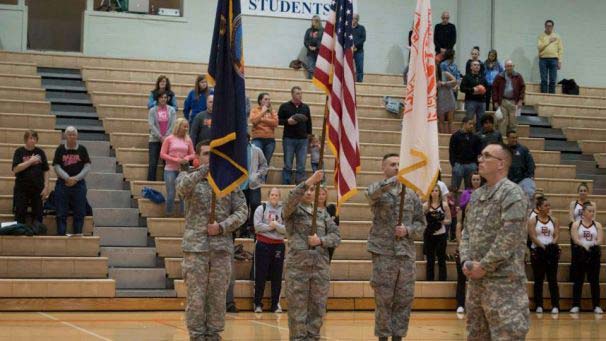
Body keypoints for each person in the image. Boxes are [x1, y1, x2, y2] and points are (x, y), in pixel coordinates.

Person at [176, 140, 248, 340]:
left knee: (217, 297)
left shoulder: (229, 184)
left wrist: (222, 227)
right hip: (196, 250)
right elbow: (181, 189)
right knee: (196, 298)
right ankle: (197, 335)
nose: (211, 157)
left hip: (221, 249)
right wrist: (204, 171)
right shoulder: (189, 177)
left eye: (214, 154)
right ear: (198, 157)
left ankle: (214, 334)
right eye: (207, 153)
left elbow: (243, 211)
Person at [460, 142, 530, 339]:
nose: (480, 159)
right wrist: (466, 260)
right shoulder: (477, 196)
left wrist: (484, 265)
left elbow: (509, 237)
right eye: (480, 155)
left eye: (486, 156)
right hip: (476, 284)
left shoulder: (512, 193)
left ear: (501, 164)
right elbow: (466, 232)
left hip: (503, 286)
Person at [366, 153, 425, 341]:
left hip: (405, 255)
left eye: (400, 164)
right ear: (383, 168)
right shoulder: (377, 190)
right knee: (383, 300)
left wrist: (407, 230)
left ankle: (399, 336)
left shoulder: (411, 194)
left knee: (404, 299)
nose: (397, 167)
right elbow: (370, 195)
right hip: (384, 253)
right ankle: (383, 336)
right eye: (392, 164)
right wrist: (391, 182)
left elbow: (421, 225)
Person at [283, 170, 340, 341]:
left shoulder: (322, 214)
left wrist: (321, 240)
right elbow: (290, 200)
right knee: (297, 311)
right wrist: (309, 181)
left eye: (312, 189)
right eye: (307, 189)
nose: (309, 192)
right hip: (298, 270)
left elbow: (336, 236)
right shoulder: (291, 210)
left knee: (317, 310)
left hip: (320, 269)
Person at [53, 126, 91, 236]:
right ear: (65, 136)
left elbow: (87, 166)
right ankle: (61, 234)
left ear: (77, 136)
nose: (71, 136)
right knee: (61, 212)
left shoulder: (82, 149)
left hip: (79, 185)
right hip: (62, 184)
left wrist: (76, 178)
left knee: (80, 211)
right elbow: (56, 166)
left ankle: (78, 234)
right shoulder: (60, 149)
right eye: (69, 134)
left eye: (73, 134)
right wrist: (67, 178)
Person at [253, 187, 286, 314]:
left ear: (279, 197)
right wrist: (271, 227)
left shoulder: (283, 211)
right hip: (263, 244)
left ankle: (275, 304)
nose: (274, 197)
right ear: (268, 196)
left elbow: (287, 229)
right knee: (260, 275)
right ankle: (257, 304)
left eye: (276, 195)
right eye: (272, 195)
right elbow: (257, 227)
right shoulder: (261, 208)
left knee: (277, 276)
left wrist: (276, 226)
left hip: (278, 245)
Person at [454, 172, 482, 314]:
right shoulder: (463, 215)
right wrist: (463, 247)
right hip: (465, 249)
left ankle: (476, 306)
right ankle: (460, 303)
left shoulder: (482, 218)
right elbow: (458, 229)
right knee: (461, 278)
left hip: (477, 251)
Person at [528, 196, 561, 314]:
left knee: (552, 279)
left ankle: (555, 305)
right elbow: (532, 236)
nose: (548, 207)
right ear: (539, 208)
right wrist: (542, 247)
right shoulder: (533, 220)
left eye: (549, 205)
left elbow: (556, 234)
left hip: (551, 253)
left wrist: (552, 245)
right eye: (546, 206)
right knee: (539, 279)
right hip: (538, 252)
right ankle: (539, 305)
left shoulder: (554, 220)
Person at [570, 203, 603, 314]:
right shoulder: (576, 224)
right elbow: (575, 239)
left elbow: (600, 240)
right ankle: (576, 305)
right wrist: (584, 246)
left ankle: (597, 305)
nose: (592, 213)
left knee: (594, 281)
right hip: (580, 254)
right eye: (589, 211)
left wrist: (592, 245)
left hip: (593, 255)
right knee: (578, 280)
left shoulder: (597, 224)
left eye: (593, 211)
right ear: (583, 212)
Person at [12, 130, 50, 224]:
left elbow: (46, 170)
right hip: (22, 188)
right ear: (25, 139)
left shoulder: (40, 152)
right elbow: (15, 169)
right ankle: (20, 233)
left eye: (34, 138)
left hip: (37, 188)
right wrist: (30, 161)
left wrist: (46, 187)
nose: (33, 140)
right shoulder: (19, 151)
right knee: (20, 213)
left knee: (38, 215)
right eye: (30, 138)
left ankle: (36, 234)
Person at [160, 118, 195, 216]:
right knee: (171, 193)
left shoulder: (188, 139)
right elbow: (162, 154)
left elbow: (193, 154)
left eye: (187, 126)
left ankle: (183, 215)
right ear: (178, 126)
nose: (186, 128)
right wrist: (176, 159)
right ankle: (168, 213)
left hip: (183, 170)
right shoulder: (169, 139)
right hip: (170, 169)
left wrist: (187, 158)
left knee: (183, 194)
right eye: (184, 126)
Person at [278, 86, 312, 185]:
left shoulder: (306, 107)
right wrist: (287, 121)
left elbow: (309, 123)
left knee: (301, 165)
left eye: (301, 93)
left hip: (303, 140)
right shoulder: (284, 106)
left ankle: (300, 185)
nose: (300, 95)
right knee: (288, 164)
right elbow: (278, 121)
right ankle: (286, 184)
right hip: (289, 139)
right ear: (292, 94)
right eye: (297, 93)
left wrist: (309, 137)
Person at [240, 137, 268, 237]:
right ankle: (243, 230)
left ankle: (252, 227)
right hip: (240, 185)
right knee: (243, 208)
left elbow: (264, 165)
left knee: (255, 204)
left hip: (254, 184)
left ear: (248, 140)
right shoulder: (236, 151)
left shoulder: (256, 150)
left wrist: (258, 174)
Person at [423, 185, 451, 281]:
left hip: (441, 235)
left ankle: (442, 280)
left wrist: (441, 221)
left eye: (436, 190)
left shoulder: (444, 205)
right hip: (429, 235)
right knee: (430, 260)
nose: (434, 192)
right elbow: (421, 220)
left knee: (441, 259)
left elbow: (449, 220)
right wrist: (428, 223)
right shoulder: (426, 206)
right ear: (430, 193)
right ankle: (429, 281)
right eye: (432, 190)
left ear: (439, 192)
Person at [147, 91, 177, 181]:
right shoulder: (152, 110)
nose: (163, 99)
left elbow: (173, 124)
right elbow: (151, 125)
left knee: (167, 163)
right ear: (158, 99)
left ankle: (168, 182)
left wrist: (166, 137)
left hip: (168, 140)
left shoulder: (171, 110)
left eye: (165, 97)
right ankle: (150, 182)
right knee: (153, 162)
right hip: (154, 140)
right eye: (161, 97)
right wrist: (160, 137)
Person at [492, 60, 525, 137]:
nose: (509, 68)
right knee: (503, 121)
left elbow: (522, 88)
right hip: (503, 101)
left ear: (513, 66)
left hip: (514, 102)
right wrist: (495, 101)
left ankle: (512, 139)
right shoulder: (499, 76)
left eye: (510, 66)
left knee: (513, 122)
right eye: (507, 66)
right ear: (505, 67)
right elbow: (494, 89)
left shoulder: (518, 76)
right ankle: (502, 138)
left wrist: (520, 100)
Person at [448, 117, 481, 191]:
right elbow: (451, 151)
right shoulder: (455, 136)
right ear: (464, 124)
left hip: (471, 164)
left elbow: (478, 152)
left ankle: (469, 202)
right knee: (454, 188)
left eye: (473, 124)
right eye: (470, 124)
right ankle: (453, 202)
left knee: (470, 189)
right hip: (458, 164)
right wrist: (454, 164)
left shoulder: (475, 137)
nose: (472, 126)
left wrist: (476, 164)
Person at [506, 130, 536, 203]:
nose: (514, 140)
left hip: (523, 179)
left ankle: (528, 211)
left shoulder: (523, 149)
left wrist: (530, 176)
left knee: (529, 190)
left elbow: (531, 164)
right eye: (512, 138)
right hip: (507, 180)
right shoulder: (503, 150)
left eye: (516, 138)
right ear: (507, 138)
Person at [250, 92, 278, 166]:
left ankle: (263, 178)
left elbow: (275, 123)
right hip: (257, 139)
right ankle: (255, 178)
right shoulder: (254, 110)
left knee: (265, 163)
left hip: (270, 140)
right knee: (256, 162)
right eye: (265, 99)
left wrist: (262, 119)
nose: (268, 101)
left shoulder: (272, 111)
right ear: (260, 101)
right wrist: (262, 112)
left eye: (269, 99)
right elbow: (254, 121)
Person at [460, 60, 488, 131]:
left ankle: (479, 136)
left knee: (481, 120)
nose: (477, 66)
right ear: (471, 67)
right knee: (469, 119)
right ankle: (467, 134)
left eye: (478, 65)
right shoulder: (466, 77)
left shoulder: (482, 77)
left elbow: (487, 88)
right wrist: (472, 90)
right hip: (470, 101)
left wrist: (483, 91)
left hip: (481, 102)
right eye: (475, 65)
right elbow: (462, 88)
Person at [538, 19, 563, 94]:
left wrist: (560, 61)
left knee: (552, 80)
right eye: (547, 26)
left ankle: (551, 97)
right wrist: (549, 41)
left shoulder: (557, 36)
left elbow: (560, 49)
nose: (548, 27)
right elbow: (539, 47)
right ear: (545, 26)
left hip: (554, 60)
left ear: (552, 27)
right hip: (543, 60)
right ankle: (544, 96)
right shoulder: (541, 36)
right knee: (544, 79)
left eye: (550, 26)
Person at [318, 186, 339, 262]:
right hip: (316, 241)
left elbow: (336, 225)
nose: (321, 196)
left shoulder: (331, 208)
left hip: (328, 242)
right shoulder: (311, 209)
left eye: (323, 194)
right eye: (319, 194)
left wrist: (336, 217)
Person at [436, 62, 457, 133]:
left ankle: (451, 138)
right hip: (439, 100)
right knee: (441, 121)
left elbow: (455, 81)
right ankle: (442, 138)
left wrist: (445, 83)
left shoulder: (445, 73)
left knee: (450, 120)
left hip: (449, 98)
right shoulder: (431, 77)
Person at [352, 13, 366, 82]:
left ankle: (359, 82)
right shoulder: (348, 28)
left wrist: (355, 45)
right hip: (349, 51)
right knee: (347, 67)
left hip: (359, 51)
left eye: (355, 19)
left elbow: (363, 39)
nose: (353, 20)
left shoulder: (361, 28)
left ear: (357, 20)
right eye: (352, 18)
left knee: (360, 68)